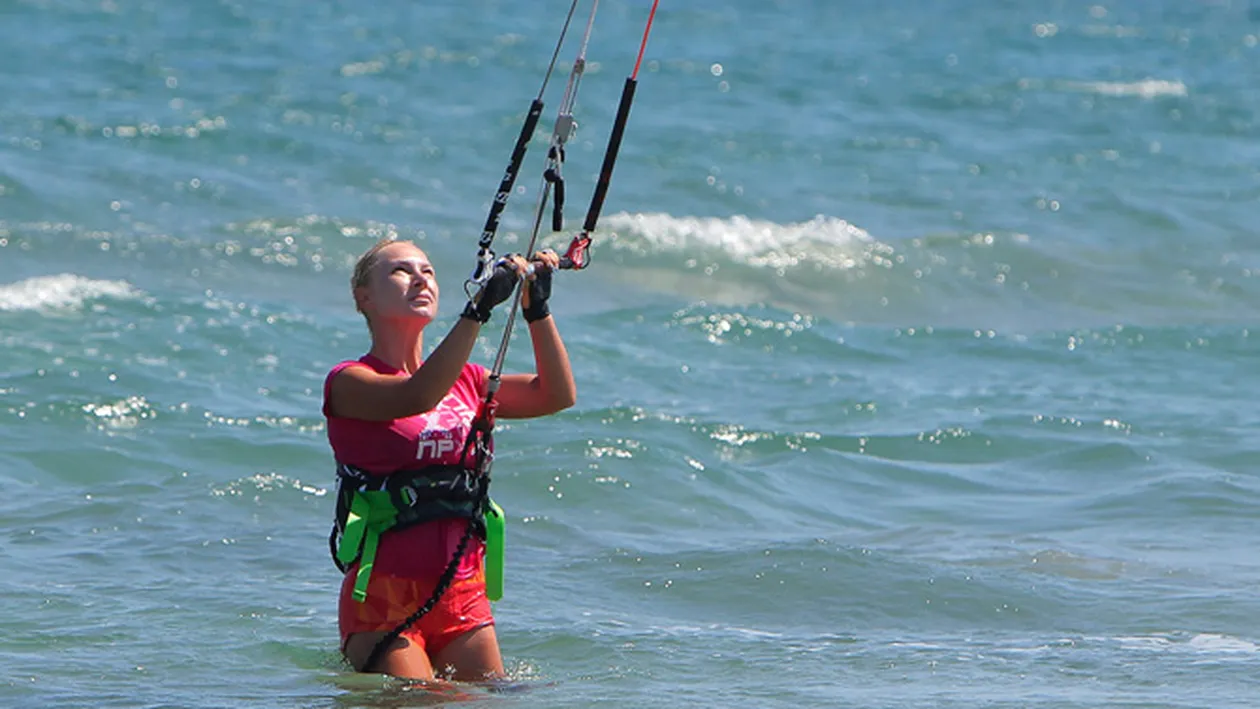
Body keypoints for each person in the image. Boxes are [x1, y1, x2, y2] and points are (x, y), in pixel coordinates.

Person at [322, 238, 576, 682]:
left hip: (463, 593)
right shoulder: (349, 382)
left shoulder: (469, 382)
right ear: (364, 298)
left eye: (429, 271)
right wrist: (477, 311)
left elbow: (555, 394)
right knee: (422, 700)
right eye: (401, 271)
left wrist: (538, 309)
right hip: (383, 598)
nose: (420, 277)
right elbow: (416, 395)